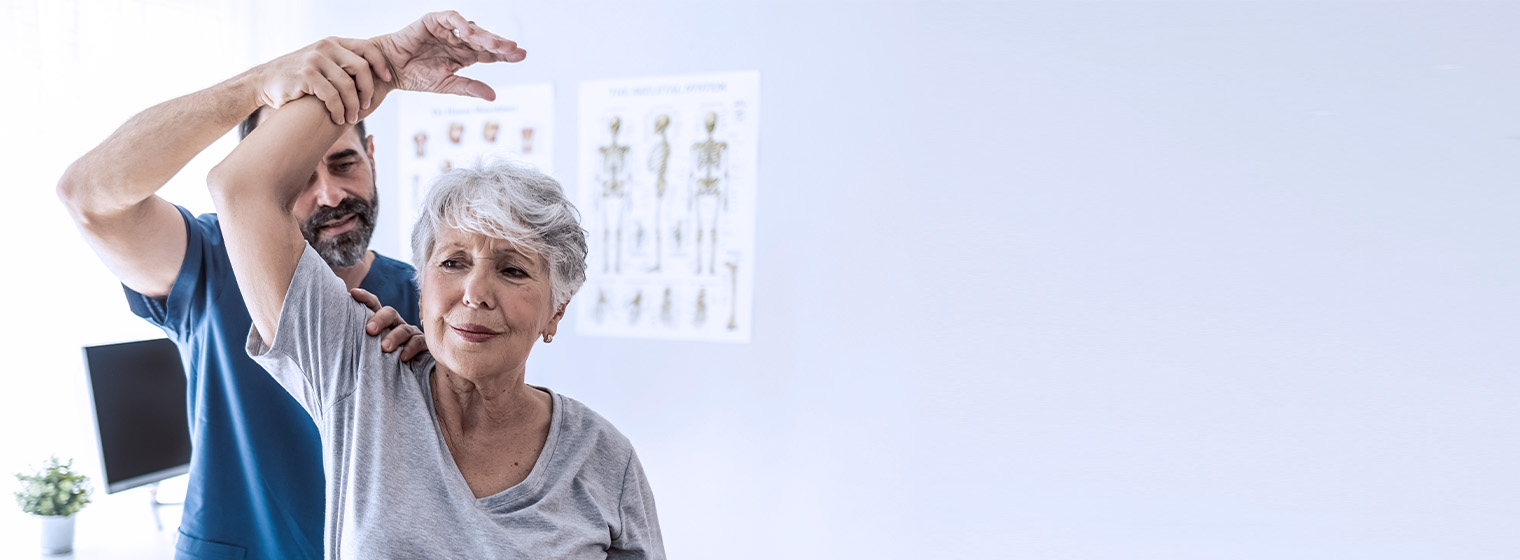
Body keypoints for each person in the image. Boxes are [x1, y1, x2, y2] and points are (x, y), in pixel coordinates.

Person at [53, 11, 507, 559]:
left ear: (374, 162)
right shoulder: (211, 262)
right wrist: (253, 86)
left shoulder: (427, 295)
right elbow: (89, 196)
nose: (332, 195)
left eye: (345, 164)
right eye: (299, 181)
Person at [207, 20, 665, 558]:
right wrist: (383, 67)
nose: (475, 292)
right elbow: (240, 187)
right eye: (452, 262)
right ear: (420, 289)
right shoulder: (355, 375)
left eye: (513, 270)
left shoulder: (606, 462)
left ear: (555, 312)